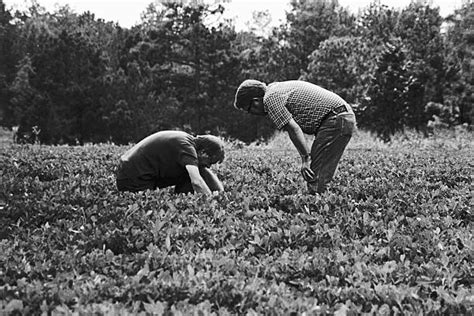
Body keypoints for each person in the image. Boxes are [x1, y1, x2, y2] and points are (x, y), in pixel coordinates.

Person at [234, 79, 356, 193]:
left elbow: (293, 128)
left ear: (255, 101)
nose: (252, 114)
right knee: (321, 174)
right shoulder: (274, 89)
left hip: (335, 118)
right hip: (342, 116)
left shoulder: (270, 99)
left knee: (316, 178)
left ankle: (319, 209)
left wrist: (305, 159)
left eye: (249, 110)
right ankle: (323, 204)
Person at [116, 130, 225, 195]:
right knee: (197, 174)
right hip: (133, 181)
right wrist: (211, 204)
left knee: (200, 170)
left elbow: (203, 173)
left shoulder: (186, 140)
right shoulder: (187, 147)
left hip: (133, 174)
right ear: (203, 152)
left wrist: (220, 195)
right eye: (210, 162)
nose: (209, 166)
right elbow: (196, 182)